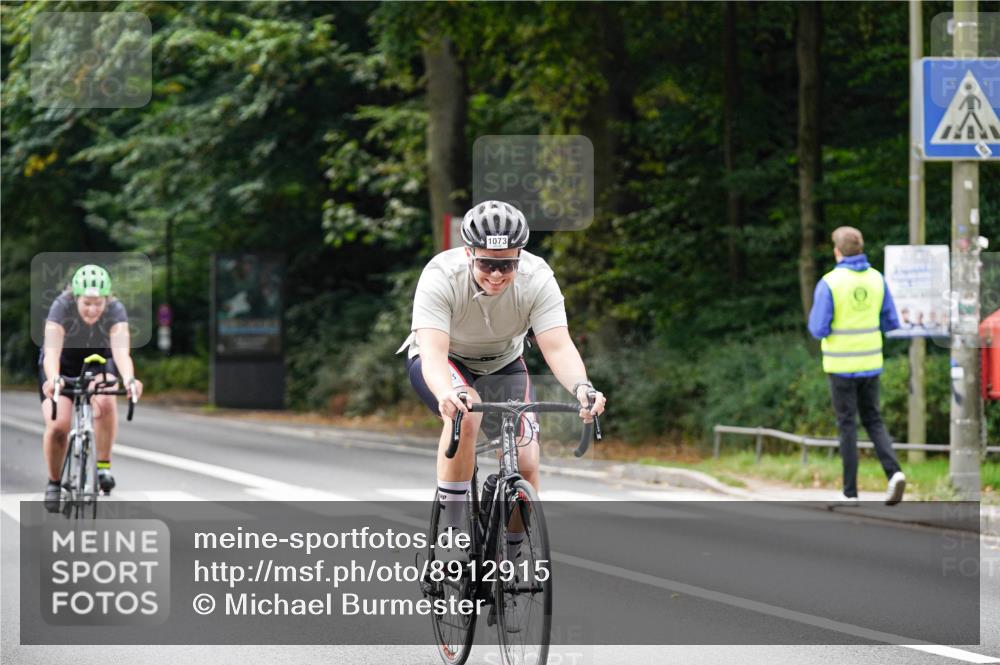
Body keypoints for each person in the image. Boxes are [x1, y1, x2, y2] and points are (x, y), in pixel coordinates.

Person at [399, 200, 606, 558]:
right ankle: (452, 531)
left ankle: (510, 557)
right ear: (469, 253)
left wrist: (582, 388)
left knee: (526, 459)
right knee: (468, 411)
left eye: (507, 264)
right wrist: (447, 393)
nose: (496, 274)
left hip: (503, 363)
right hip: (445, 360)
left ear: (519, 257)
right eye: (487, 264)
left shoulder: (537, 279)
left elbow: (557, 346)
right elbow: (432, 352)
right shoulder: (440, 275)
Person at [808, 227, 905, 506]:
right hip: (871, 364)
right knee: (874, 420)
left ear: (837, 251)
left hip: (840, 366)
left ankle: (850, 492)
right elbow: (890, 322)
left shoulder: (830, 282)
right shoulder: (877, 279)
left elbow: (818, 328)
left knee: (847, 426)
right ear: (860, 248)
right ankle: (894, 473)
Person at [39, 264, 143, 510]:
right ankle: (54, 482)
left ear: (107, 299)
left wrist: (129, 378)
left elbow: (121, 353)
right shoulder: (61, 307)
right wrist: (53, 379)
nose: (93, 309)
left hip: (97, 363)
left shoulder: (115, 310)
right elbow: (51, 352)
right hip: (62, 366)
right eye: (87, 303)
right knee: (58, 426)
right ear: (76, 297)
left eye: (99, 303)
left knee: (106, 400)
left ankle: (103, 466)